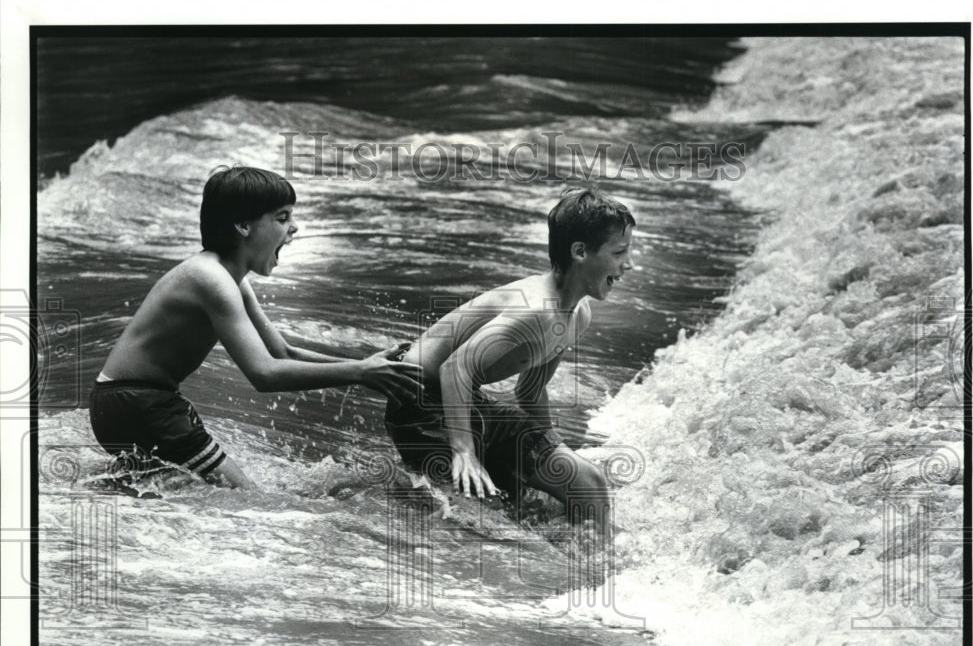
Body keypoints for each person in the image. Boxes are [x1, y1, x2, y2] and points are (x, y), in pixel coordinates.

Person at [90, 165, 422, 489]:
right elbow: (263, 374)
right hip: (139, 405)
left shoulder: (230, 278)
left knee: (168, 486)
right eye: (282, 218)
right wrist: (360, 372)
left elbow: (282, 351)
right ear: (243, 226)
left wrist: (371, 370)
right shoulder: (211, 279)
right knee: (249, 498)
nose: (294, 228)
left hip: (128, 403)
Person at [385, 187, 635, 528]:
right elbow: (456, 366)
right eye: (619, 252)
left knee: (575, 487)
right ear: (579, 252)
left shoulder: (577, 314)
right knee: (486, 514)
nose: (628, 264)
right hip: (418, 401)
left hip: (463, 398)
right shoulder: (535, 311)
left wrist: (551, 453)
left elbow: (529, 392)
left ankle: (596, 565)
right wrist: (464, 451)